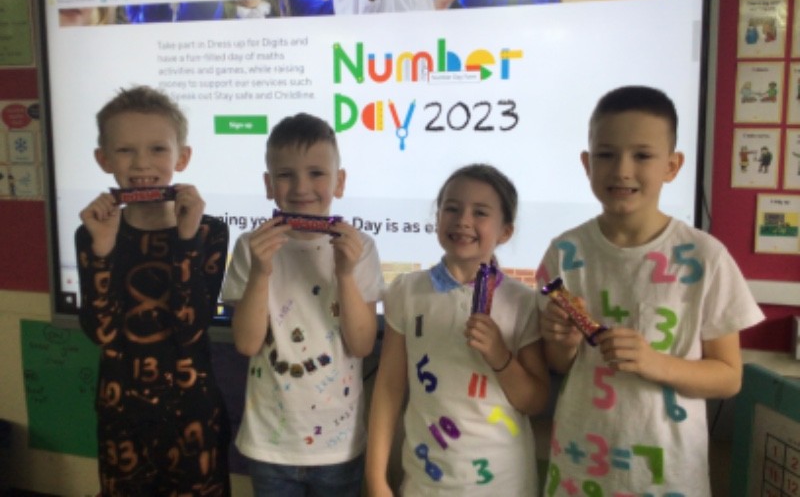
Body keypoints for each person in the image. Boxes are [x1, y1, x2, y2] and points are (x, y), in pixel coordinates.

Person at [537, 85, 764, 495]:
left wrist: (653, 362)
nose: (622, 170)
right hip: (579, 466)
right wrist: (563, 343)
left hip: (667, 475)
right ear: (587, 163)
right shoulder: (564, 252)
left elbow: (729, 378)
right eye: (606, 155)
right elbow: (560, 364)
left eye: (642, 156)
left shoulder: (705, 257)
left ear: (672, 166)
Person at [76, 86, 231, 496]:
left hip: (192, 413)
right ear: (104, 160)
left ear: (182, 157)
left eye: (157, 149)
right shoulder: (91, 233)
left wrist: (186, 240)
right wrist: (103, 249)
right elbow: (102, 333)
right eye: (125, 150)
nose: (142, 163)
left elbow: (190, 328)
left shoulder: (208, 231)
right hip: (121, 415)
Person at [221, 112, 383, 496]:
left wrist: (345, 274)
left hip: (339, 445)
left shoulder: (359, 249)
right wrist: (261, 272)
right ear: (268, 184)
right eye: (285, 175)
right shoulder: (250, 247)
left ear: (339, 181)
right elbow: (246, 343)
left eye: (316, 173)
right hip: (270, 443)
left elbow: (362, 344)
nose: (301, 187)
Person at [366, 164, 551, 496]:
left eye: (480, 212)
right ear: (437, 217)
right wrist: (376, 478)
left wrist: (500, 356)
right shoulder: (407, 291)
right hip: (426, 483)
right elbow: (389, 388)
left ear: (505, 231)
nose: (463, 220)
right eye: (452, 208)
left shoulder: (522, 302)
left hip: (503, 485)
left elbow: (535, 401)